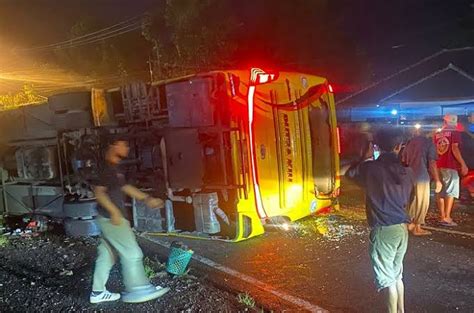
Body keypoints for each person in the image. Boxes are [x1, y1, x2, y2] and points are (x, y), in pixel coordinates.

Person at [90, 138, 170, 304]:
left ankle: (97, 292)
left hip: (107, 218)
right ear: (112, 145)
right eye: (123, 144)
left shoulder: (113, 167)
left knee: (107, 255)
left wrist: (147, 198)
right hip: (111, 219)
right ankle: (138, 289)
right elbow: (99, 192)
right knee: (132, 253)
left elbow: (125, 187)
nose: (127, 147)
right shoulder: (105, 167)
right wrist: (114, 212)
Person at [344, 128, 414, 313]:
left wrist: (365, 157)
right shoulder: (406, 171)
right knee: (397, 276)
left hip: (384, 230)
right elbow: (411, 197)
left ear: (375, 146)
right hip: (401, 228)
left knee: (388, 280)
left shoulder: (371, 168)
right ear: (399, 146)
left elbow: (350, 174)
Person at [402, 125, 442, 236]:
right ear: (432, 131)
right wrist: (437, 180)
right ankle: (417, 227)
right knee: (422, 202)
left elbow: (404, 159)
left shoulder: (411, 142)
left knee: (412, 200)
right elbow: (432, 163)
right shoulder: (429, 143)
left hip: (409, 174)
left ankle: (409, 224)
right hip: (422, 175)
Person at [433, 114, 469, 227]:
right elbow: (454, 148)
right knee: (450, 192)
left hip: (438, 165)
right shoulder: (455, 132)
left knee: (441, 192)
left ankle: (442, 216)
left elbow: (435, 149)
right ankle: (447, 217)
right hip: (450, 165)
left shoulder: (437, 134)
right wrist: (463, 164)